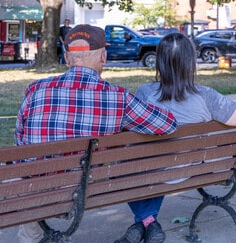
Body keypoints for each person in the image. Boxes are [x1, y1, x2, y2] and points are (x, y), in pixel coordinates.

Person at [15, 25, 178, 243]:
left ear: (66, 58)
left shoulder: (36, 89)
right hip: (85, 188)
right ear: (103, 56)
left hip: (35, 189)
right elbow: (167, 124)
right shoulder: (118, 98)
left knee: (30, 175)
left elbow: (20, 137)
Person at [115, 33, 236, 243]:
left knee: (125, 166)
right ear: (190, 63)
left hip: (153, 171)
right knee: (154, 162)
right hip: (192, 169)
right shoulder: (207, 96)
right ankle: (149, 222)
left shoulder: (145, 94)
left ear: (159, 63)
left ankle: (146, 221)